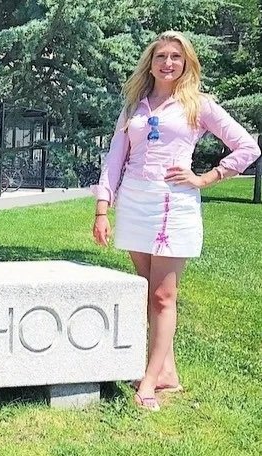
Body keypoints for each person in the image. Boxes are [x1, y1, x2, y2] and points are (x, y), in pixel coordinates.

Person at [91, 31, 261, 411]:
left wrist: (207, 177)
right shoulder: (134, 106)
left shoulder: (197, 105)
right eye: (161, 56)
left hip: (173, 204)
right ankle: (167, 373)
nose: (168, 63)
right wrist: (103, 208)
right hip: (135, 202)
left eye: (176, 57)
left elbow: (248, 146)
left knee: (163, 294)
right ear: (150, 63)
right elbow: (115, 158)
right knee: (145, 291)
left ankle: (148, 381)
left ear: (186, 64)